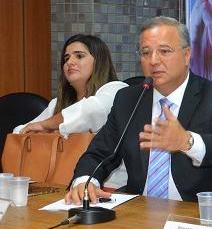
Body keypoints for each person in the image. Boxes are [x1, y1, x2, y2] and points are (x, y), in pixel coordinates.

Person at [66, 16, 212, 207]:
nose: (153, 61)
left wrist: (187, 141)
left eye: (164, 51)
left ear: (187, 55)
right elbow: (98, 153)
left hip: (199, 213)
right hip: (140, 212)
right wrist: (85, 181)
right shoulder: (128, 99)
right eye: (146, 53)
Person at [15, 34, 128, 188]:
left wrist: (45, 126)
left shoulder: (117, 90)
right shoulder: (57, 104)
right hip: (57, 185)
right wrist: (47, 131)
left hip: (109, 186)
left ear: (99, 61)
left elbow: (90, 112)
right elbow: (20, 131)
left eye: (79, 56)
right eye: (66, 58)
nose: (70, 62)